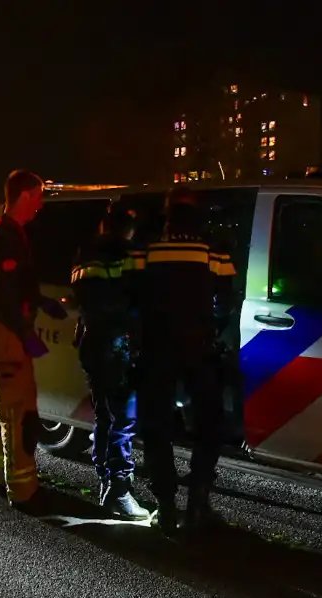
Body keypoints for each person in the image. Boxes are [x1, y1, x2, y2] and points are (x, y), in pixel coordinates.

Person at [134, 187, 236, 534]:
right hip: (199, 349)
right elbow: (225, 302)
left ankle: (165, 508)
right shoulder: (213, 248)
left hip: (156, 350)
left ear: (168, 213)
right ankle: (198, 503)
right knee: (208, 426)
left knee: (156, 426)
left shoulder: (148, 247)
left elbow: (133, 292)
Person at [0, 169, 66, 508]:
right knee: (19, 414)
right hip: (6, 331)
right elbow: (4, 296)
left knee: (9, 409)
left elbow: (17, 286)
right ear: (26, 195)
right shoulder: (8, 235)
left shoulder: (8, 230)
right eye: (39, 196)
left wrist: (43, 302)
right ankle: (24, 493)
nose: (41, 204)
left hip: (4, 328)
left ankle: (3, 477)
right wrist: (25, 332)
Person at [69, 202, 149, 520]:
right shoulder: (122, 255)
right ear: (125, 227)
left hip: (93, 344)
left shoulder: (84, 253)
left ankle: (107, 484)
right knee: (122, 421)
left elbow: (87, 299)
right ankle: (119, 491)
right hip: (114, 348)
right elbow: (129, 301)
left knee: (105, 417)